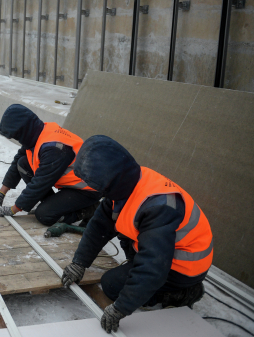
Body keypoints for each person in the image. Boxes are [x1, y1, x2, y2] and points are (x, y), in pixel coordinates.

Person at [61, 135, 213, 333]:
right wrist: (79, 263)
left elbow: (153, 268)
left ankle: (181, 293)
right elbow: (99, 226)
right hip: (164, 252)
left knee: (112, 286)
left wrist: (120, 308)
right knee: (126, 248)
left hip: (184, 267)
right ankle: (150, 281)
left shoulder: (158, 206)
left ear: (110, 181)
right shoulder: (125, 182)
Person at [0, 104, 102, 225]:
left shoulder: (54, 149)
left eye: (17, 136)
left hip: (87, 189)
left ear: (24, 131)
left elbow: (40, 183)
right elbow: (17, 161)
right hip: (71, 186)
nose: (18, 140)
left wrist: (14, 209)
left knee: (44, 215)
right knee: (22, 163)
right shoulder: (38, 133)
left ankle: (90, 209)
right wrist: (1, 193)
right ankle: (53, 205)